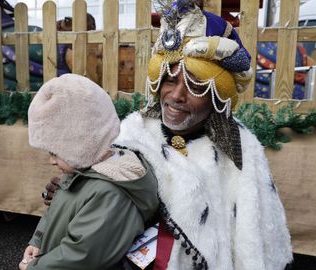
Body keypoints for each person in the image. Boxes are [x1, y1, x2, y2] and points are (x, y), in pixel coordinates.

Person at [43, 1, 293, 269]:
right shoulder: (133, 131)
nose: (176, 96)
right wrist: (74, 190)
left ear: (218, 94)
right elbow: (105, 191)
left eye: (196, 86)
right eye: (170, 80)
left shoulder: (239, 150)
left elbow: (256, 237)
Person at [19, 74, 158, 270]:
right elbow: (56, 210)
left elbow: (82, 256)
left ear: (80, 144)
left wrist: (35, 268)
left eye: (54, 152)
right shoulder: (83, 169)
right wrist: (38, 241)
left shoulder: (109, 193)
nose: (51, 161)